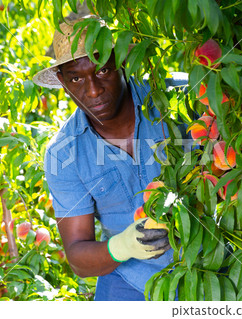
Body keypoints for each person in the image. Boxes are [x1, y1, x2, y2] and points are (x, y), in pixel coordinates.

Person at [33, 16, 188, 301]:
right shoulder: (64, 153)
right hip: (130, 282)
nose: (93, 90)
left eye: (103, 70)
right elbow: (78, 255)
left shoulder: (179, 99)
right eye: (77, 78)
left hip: (211, 266)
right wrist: (122, 247)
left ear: (122, 62)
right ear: (62, 82)